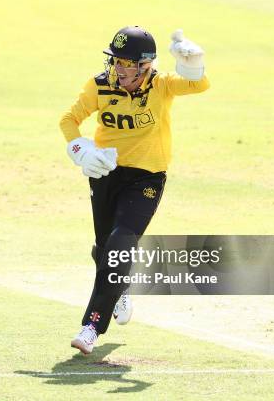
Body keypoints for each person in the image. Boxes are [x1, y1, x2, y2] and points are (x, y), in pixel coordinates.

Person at [59, 26, 210, 354]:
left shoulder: (162, 85)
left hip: (146, 178)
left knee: (117, 246)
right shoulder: (100, 85)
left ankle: (91, 327)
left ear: (145, 66)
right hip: (105, 174)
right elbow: (69, 120)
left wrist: (194, 62)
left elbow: (199, 84)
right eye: (116, 62)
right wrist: (81, 150)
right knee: (104, 250)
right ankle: (121, 286)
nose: (119, 69)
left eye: (127, 64)